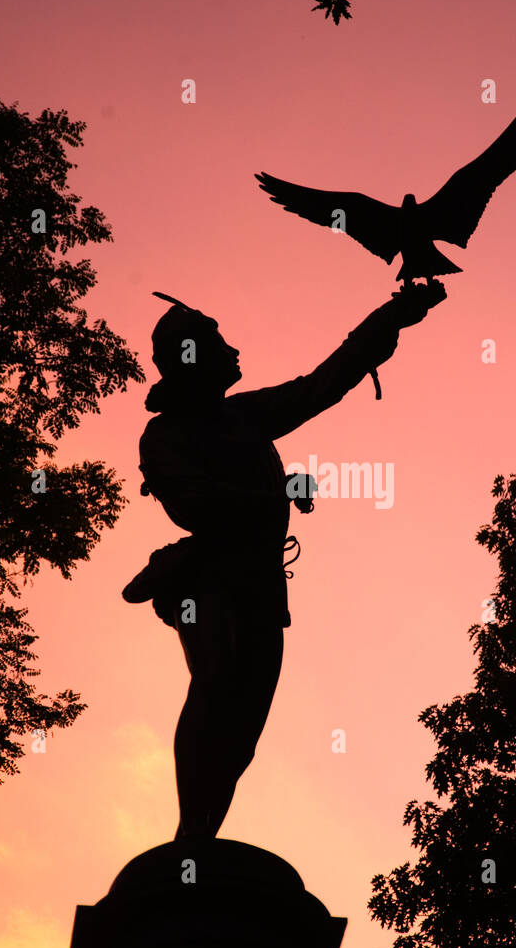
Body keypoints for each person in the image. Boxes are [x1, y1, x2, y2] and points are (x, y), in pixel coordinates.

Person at [123, 281, 446, 839]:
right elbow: (193, 505)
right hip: (205, 578)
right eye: (218, 340)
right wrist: (276, 494)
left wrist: (390, 317)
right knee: (217, 678)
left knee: (244, 726)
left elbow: (322, 384)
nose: (234, 350)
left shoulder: (246, 416)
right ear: (190, 357)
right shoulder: (167, 434)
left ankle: (200, 840)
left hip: (260, 585)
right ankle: (190, 839)